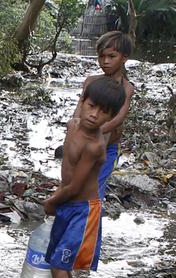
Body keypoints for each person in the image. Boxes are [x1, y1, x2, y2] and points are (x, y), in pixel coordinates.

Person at [42, 77, 125, 278]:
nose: (94, 115)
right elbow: (66, 168)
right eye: (91, 106)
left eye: (103, 112)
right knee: (59, 260)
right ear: (83, 102)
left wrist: (52, 201)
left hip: (83, 210)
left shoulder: (96, 146)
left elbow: (76, 185)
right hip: (68, 203)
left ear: (111, 117)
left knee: (59, 265)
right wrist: (58, 198)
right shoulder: (72, 125)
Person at [73, 31, 135, 201]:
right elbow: (79, 109)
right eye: (101, 57)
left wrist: (95, 131)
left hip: (108, 150)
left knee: (94, 191)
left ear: (124, 57)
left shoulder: (126, 88)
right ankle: (82, 226)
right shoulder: (91, 82)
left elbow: (118, 119)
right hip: (83, 146)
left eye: (111, 56)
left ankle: (90, 227)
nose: (105, 61)